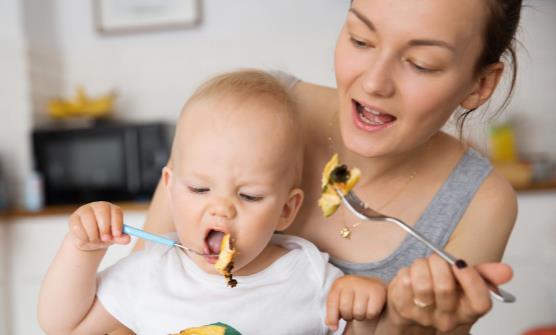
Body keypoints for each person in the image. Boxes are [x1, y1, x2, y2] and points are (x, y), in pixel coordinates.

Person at [133, 0, 524, 334]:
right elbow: (129, 309)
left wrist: (404, 326)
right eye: (360, 40)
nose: (373, 83)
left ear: (481, 84)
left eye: (422, 64)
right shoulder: (249, 113)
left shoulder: (479, 202)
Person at [37, 70, 386, 335]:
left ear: (286, 209)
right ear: (170, 189)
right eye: (200, 189)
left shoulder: (309, 278)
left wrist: (363, 305)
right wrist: (82, 251)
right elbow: (62, 326)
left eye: (249, 196)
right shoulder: (154, 272)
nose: (221, 209)